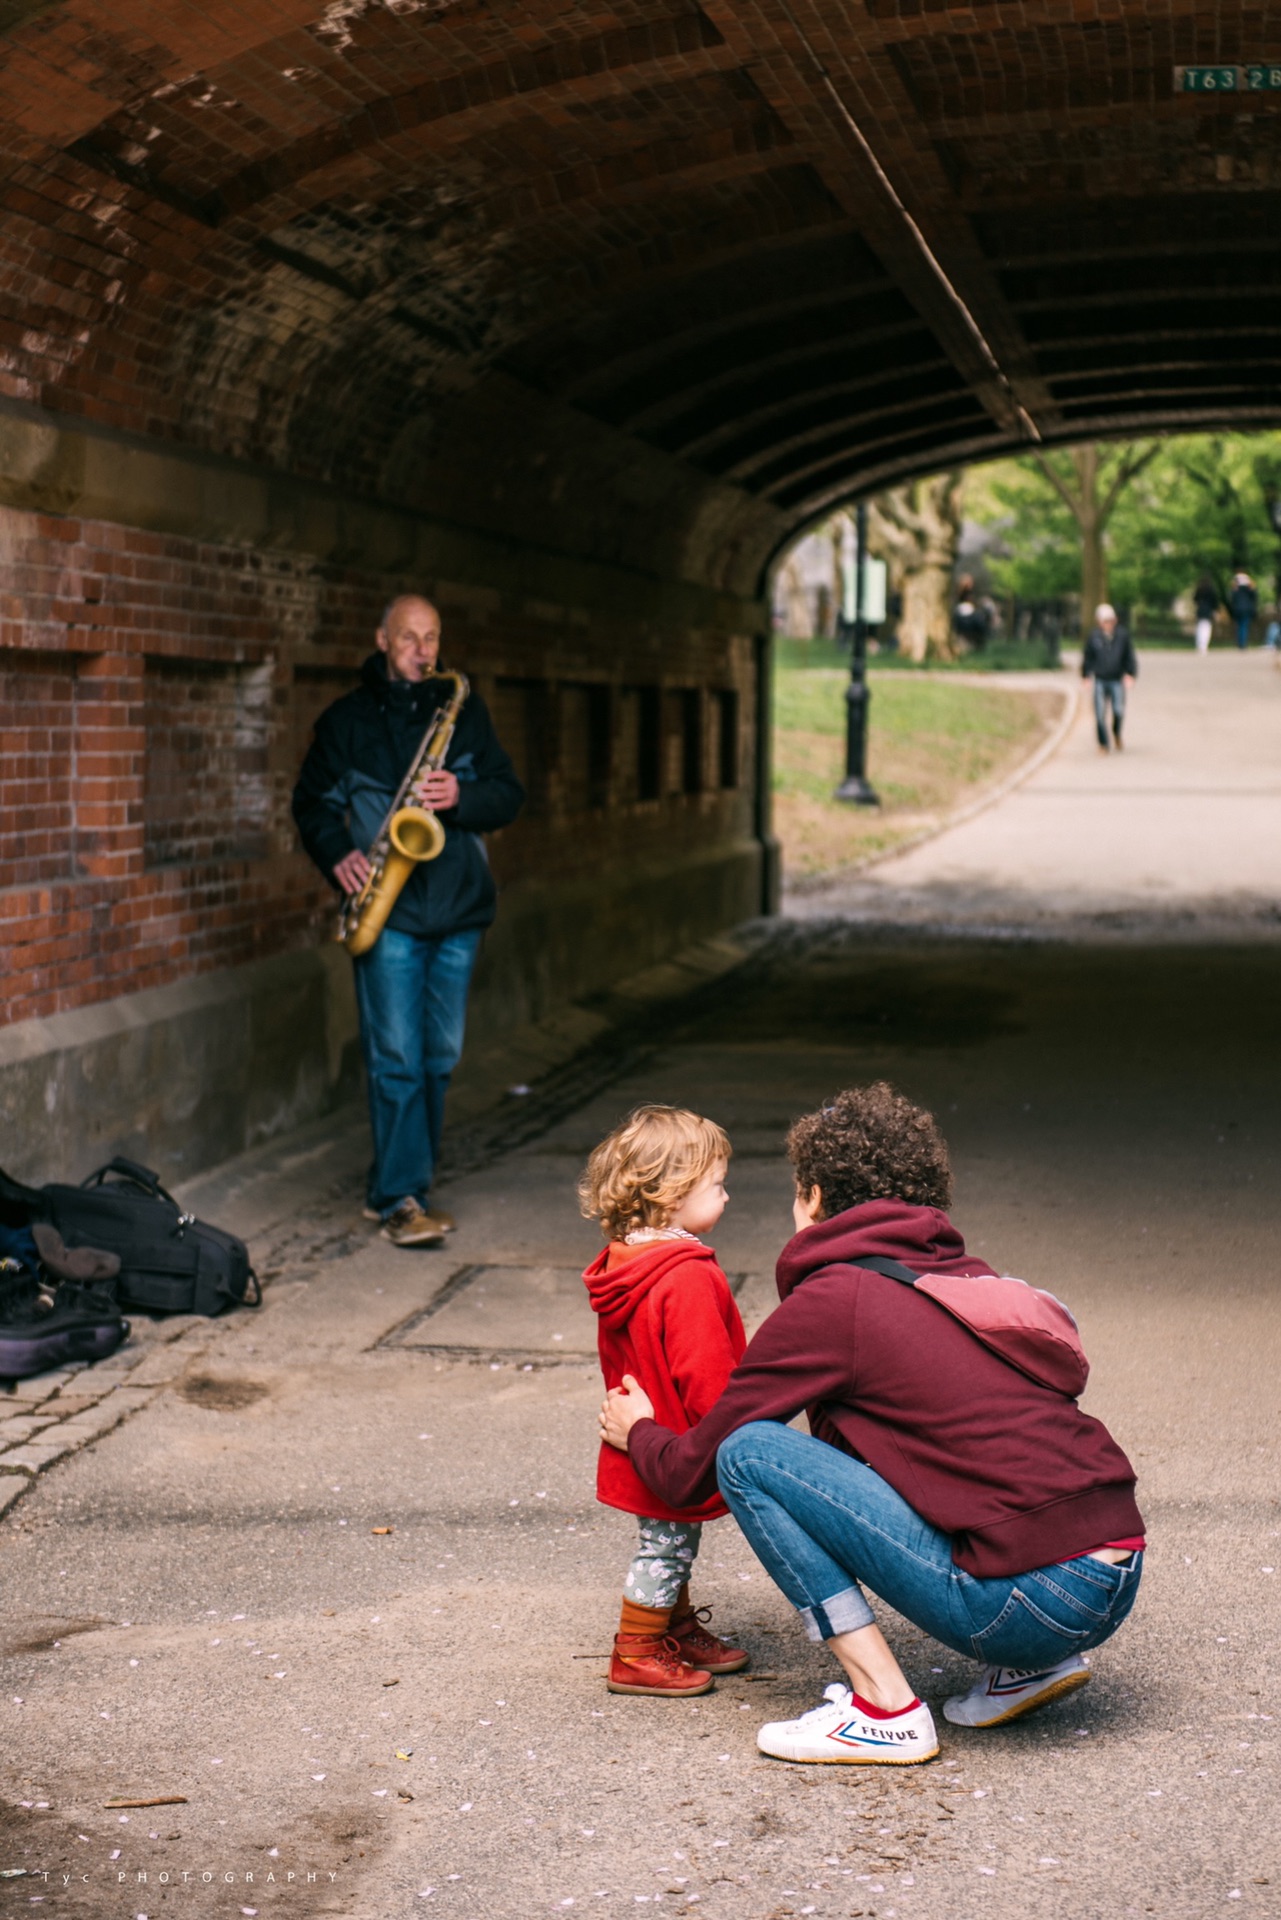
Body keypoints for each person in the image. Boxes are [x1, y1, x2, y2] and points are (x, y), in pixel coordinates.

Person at [600, 1083, 1144, 1766]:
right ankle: (1027, 1669)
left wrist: (639, 1428)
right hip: (1114, 1573)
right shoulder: (958, 1276)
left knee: (748, 1452)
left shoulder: (836, 1299)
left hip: (1030, 1602)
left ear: (815, 1198)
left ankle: (882, 1707)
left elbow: (692, 1470)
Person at [292, 595, 524, 1247]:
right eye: (408, 639)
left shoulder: (463, 712)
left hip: (457, 908)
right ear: (382, 641)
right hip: (388, 909)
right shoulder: (346, 722)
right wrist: (336, 854)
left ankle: (395, 1181)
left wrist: (463, 796)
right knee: (396, 1056)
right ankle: (401, 1197)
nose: (423, 650)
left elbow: (508, 795)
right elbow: (309, 803)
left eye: (432, 637)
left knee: (437, 1056)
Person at [579, 1105, 749, 1698]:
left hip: (639, 1436)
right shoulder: (686, 1275)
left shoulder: (626, 1263)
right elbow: (705, 1371)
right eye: (716, 1185)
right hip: (673, 1439)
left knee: (671, 1541)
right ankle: (638, 1650)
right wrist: (732, 1430)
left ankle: (672, 1628)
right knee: (666, 1546)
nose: (726, 1196)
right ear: (672, 1194)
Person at [1081, 603, 1137, 752]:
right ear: (1099, 622)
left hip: (1116, 679)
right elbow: (1088, 658)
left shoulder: (1122, 636)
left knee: (1118, 710)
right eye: (1105, 621)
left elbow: (1129, 657)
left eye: (1111, 620)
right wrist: (1086, 675)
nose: (1108, 624)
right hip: (1100, 678)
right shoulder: (1094, 637)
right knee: (1099, 713)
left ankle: (1116, 732)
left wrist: (1131, 674)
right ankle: (1103, 743)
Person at [1228, 571, 1258, 649]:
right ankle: (1243, 643)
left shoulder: (1236, 590)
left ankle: (1240, 643)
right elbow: (1255, 597)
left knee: (1240, 626)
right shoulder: (1249, 590)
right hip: (1246, 610)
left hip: (1238, 610)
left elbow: (1232, 599)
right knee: (1244, 626)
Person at [1193, 575, 1218, 654]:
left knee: (1200, 627)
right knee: (1206, 628)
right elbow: (1215, 601)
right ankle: (1204, 646)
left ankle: (1199, 645)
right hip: (1208, 611)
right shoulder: (1211, 590)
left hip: (1200, 610)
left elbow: (1195, 599)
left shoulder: (1199, 590)